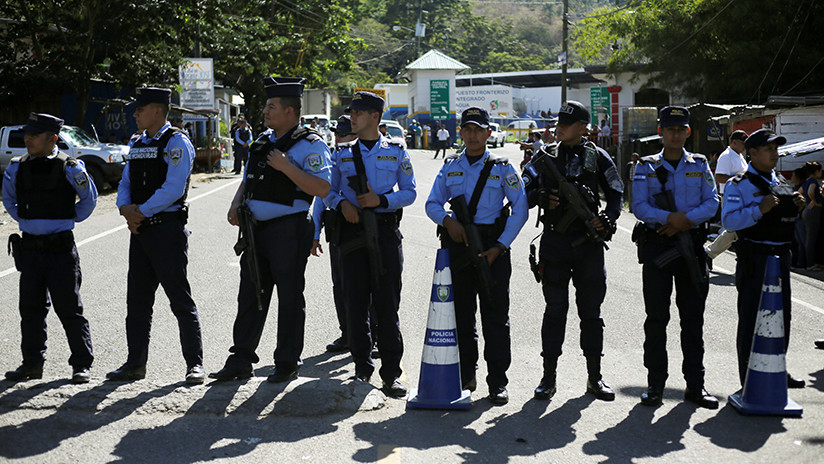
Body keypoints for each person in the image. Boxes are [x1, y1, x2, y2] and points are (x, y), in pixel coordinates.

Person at [210, 77, 331, 383]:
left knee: (289, 297)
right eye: (266, 105)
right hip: (255, 230)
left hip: (289, 230)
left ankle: (287, 361)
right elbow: (248, 178)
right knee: (250, 295)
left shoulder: (310, 144)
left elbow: (323, 187)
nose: (265, 110)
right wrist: (236, 204)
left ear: (290, 111)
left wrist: (288, 167)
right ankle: (240, 360)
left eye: (271, 106)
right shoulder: (263, 140)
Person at [425, 107, 529, 405]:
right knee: (461, 316)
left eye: (478, 130)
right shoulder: (450, 166)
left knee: (495, 317)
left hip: (493, 246)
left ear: (488, 133)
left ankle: (497, 381)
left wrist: (501, 246)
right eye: (467, 129)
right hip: (459, 246)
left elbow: (520, 209)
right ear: (461, 133)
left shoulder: (503, 168)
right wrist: (448, 222)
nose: (472, 135)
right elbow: (432, 203)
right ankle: (465, 377)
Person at [521, 100, 623, 402]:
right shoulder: (543, 158)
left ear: (583, 128)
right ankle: (548, 377)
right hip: (554, 243)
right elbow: (522, 195)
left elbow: (617, 194)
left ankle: (595, 377)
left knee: (591, 313)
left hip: (589, 246)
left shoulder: (599, 157)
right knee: (554, 311)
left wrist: (608, 219)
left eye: (568, 122)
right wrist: (541, 196)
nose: (560, 126)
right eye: (559, 121)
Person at [107, 87, 204, 384]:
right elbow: (125, 182)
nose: (135, 113)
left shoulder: (177, 142)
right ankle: (135, 363)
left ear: (158, 111)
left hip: (166, 230)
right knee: (136, 302)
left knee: (179, 299)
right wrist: (125, 208)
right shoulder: (137, 143)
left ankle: (195, 364)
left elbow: (174, 188)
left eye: (140, 109)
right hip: (140, 230)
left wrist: (141, 212)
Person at [324, 91, 416, 397]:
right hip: (352, 235)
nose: (353, 117)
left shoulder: (397, 151)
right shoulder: (342, 153)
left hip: (386, 233)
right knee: (355, 303)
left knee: (387, 305)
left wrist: (382, 199)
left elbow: (410, 192)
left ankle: (391, 373)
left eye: (359, 113)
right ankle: (362, 368)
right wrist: (341, 205)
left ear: (375, 117)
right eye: (352, 112)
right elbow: (327, 190)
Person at [632, 106, 720, 409]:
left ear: (687, 133)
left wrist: (685, 221)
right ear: (660, 132)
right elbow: (640, 207)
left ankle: (696, 385)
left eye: (680, 129)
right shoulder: (645, 166)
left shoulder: (699, 164)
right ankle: (655, 384)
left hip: (691, 248)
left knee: (693, 320)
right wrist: (670, 217)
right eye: (669, 129)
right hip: (658, 246)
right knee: (657, 318)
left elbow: (712, 202)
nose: (674, 134)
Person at [2, 113, 97, 384]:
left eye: (34, 135)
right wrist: (26, 221)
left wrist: (66, 220)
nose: (28, 139)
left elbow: (88, 201)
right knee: (30, 310)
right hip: (30, 249)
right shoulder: (17, 167)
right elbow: (8, 199)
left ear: (52, 138)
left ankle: (81, 364)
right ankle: (32, 364)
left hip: (60, 249)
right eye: (27, 135)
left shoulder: (70, 167)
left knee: (69, 308)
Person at [722, 129, 807, 389]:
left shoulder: (780, 181)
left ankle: (777, 367)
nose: (774, 153)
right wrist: (758, 209)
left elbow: (784, 218)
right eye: (769, 149)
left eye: (776, 149)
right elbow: (729, 220)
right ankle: (747, 375)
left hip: (781, 257)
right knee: (752, 317)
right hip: (755, 258)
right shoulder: (739, 184)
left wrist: (799, 205)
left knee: (782, 316)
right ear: (753, 153)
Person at [705, 130, 749, 262]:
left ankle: (744, 255)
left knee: (743, 228)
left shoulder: (739, 156)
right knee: (733, 229)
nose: (744, 146)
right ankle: (709, 253)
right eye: (742, 143)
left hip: (742, 196)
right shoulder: (726, 156)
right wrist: (739, 178)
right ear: (734, 142)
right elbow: (718, 177)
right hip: (731, 197)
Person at [800, 161, 823, 271]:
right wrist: (813, 200)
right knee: (811, 238)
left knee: (810, 237)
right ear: (816, 171)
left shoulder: (805, 182)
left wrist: (805, 202)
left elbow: (799, 192)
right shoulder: (813, 181)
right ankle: (810, 264)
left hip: (807, 211)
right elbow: (810, 192)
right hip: (813, 211)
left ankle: (812, 262)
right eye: (820, 170)